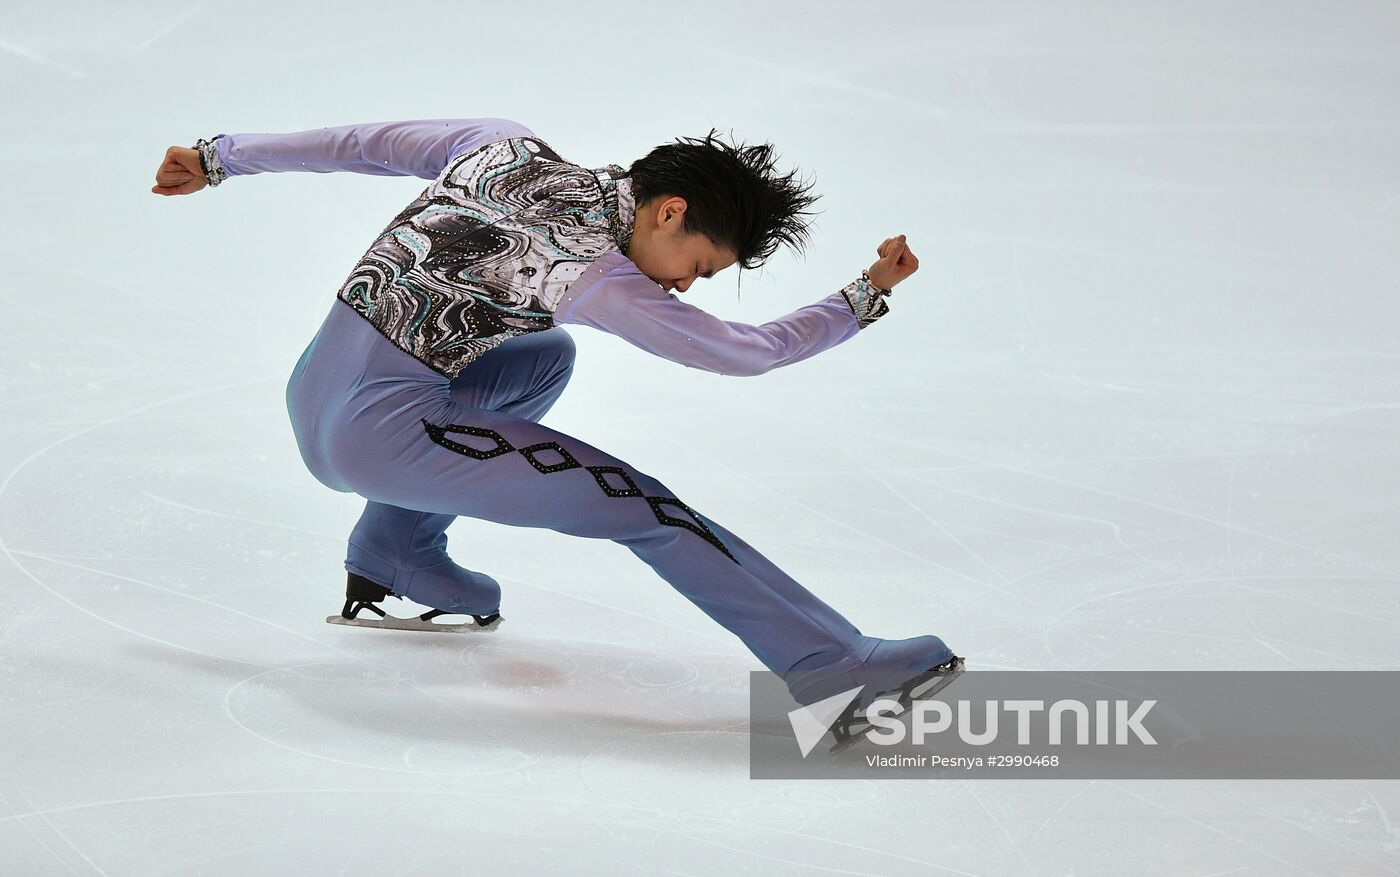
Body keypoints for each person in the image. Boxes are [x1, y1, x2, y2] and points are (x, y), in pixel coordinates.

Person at [151, 116, 960, 711]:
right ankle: (833, 665)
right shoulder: (596, 274)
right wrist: (861, 298)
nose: (684, 286)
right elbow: (744, 352)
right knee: (646, 508)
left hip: (316, 392)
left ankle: (395, 546)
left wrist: (219, 158)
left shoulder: (499, 145)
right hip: (377, 434)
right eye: (699, 267)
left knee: (543, 357)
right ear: (669, 211)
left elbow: (359, 145)